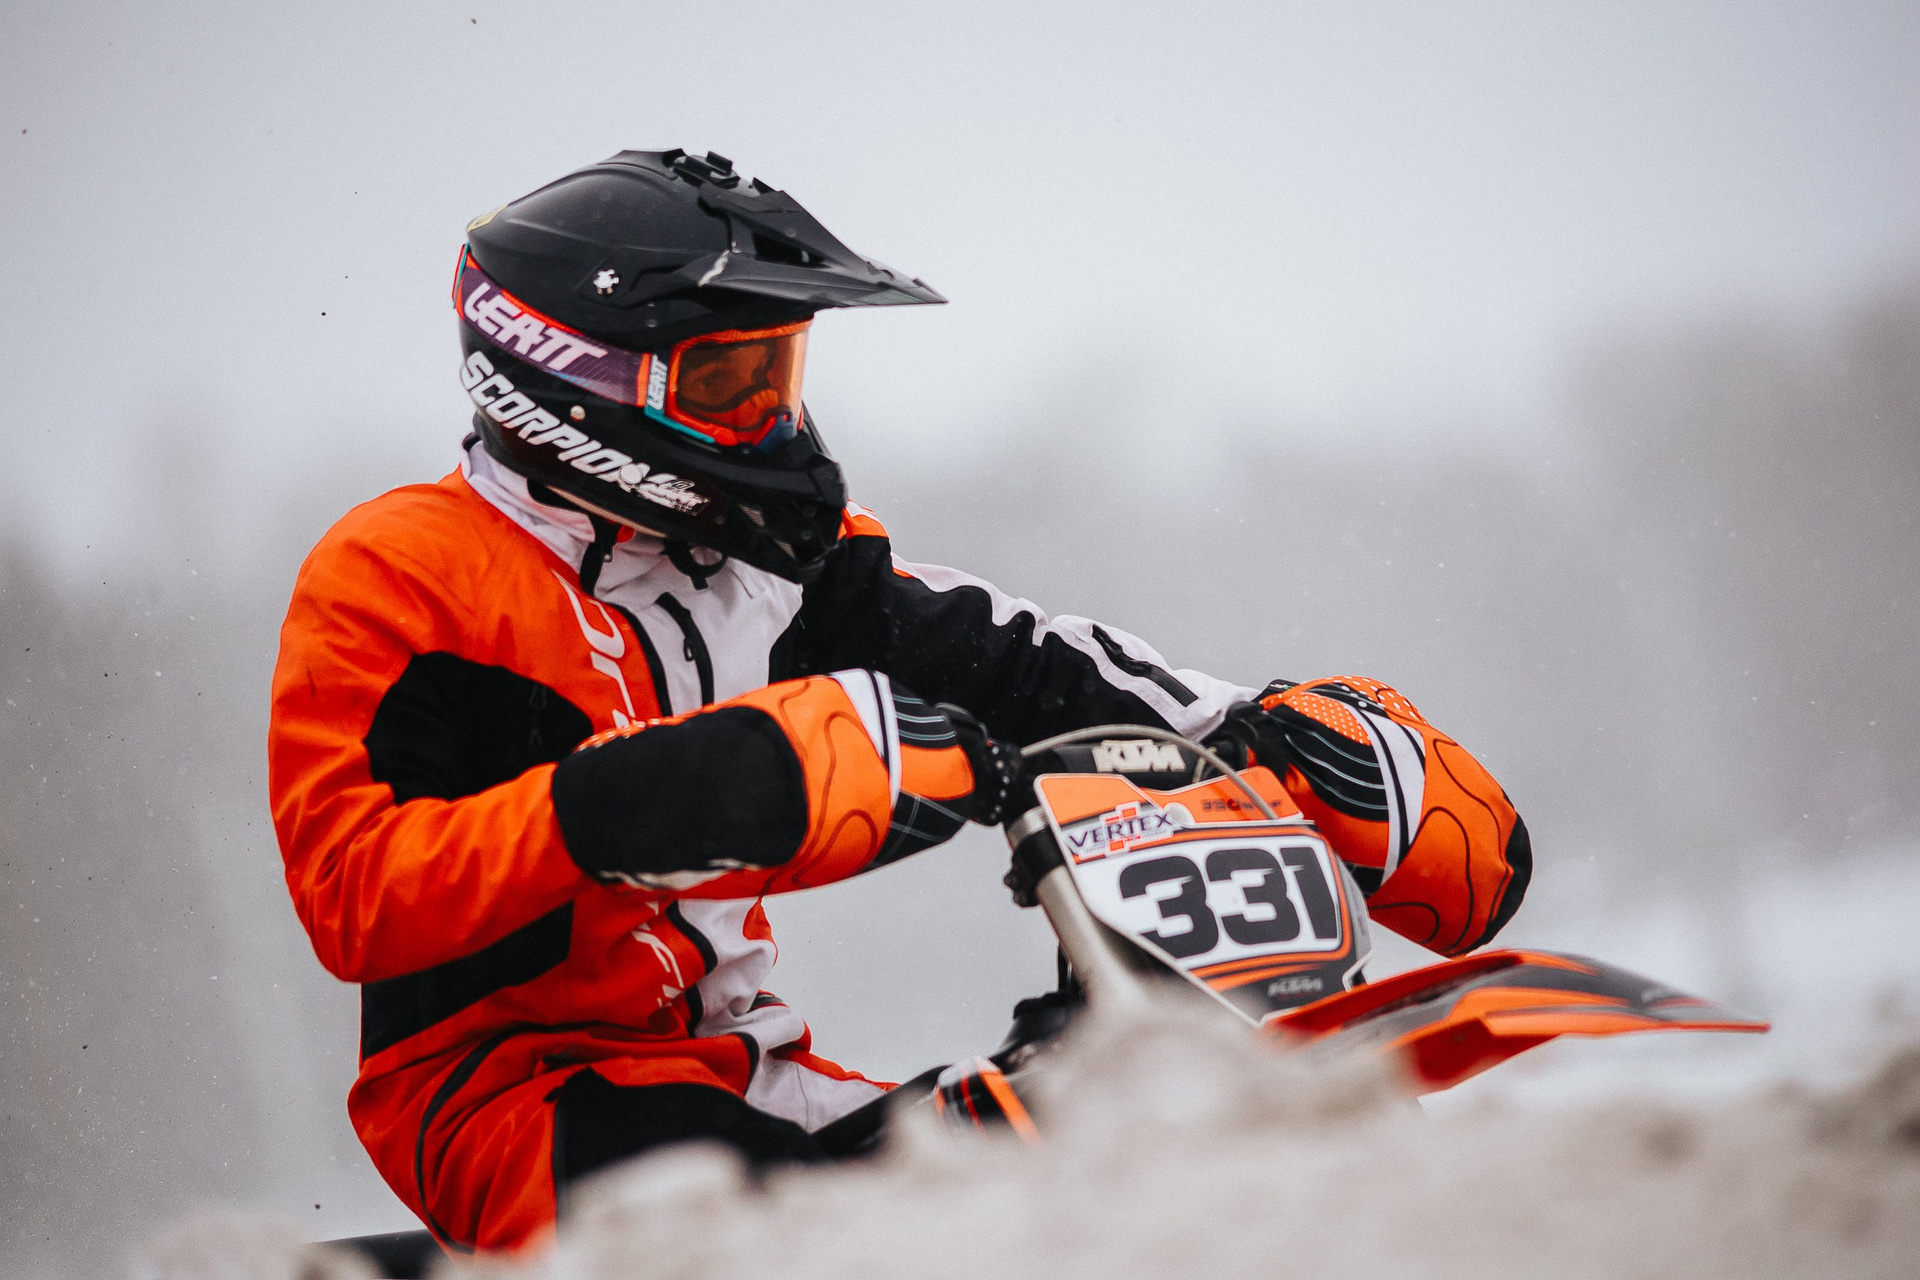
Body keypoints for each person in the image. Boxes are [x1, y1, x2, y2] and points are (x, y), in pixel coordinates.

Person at [267, 149, 1531, 1255]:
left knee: (1063, 1158)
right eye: (724, 383)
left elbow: (1017, 661)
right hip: (510, 1103)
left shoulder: (756, 559)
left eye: (778, 374)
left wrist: (1252, 733)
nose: (768, 419)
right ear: (572, 377)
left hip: (754, 1070)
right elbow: (353, 886)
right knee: (824, 1241)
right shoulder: (402, 569)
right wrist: (697, 786)